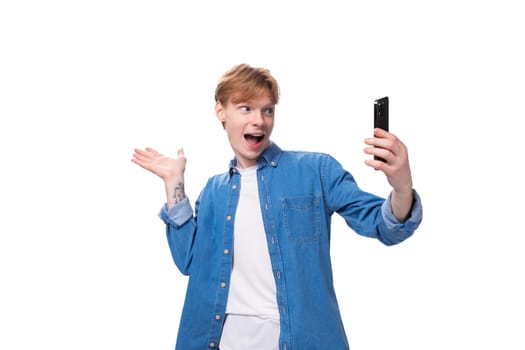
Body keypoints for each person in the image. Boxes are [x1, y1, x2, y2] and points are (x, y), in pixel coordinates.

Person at [131, 63, 423, 350]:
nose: (259, 120)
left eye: (267, 110)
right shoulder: (212, 192)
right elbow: (189, 262)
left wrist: (401, 186)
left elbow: (384, 226)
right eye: (245, 108)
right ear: (221, 111)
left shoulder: (316, 171)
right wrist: (174, 184)